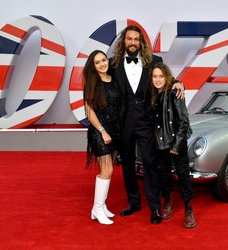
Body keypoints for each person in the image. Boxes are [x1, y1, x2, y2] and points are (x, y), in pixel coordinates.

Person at [109, 25, 184, 224]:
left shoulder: (155, 61)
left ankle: (154, 207)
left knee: (150, 164)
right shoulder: (112, 64)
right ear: (123, 42)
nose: (132, 42)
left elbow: (167, 78)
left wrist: (179, 83)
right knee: (127, 165)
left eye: (136, 39)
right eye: (129, 39)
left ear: (141, 42)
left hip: (147, 121)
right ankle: (133, 202)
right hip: (124, 122)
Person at [150, 62, 196, 228]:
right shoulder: (153, 95)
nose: (157, 79)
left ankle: (189, 209)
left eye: (161, 76)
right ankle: (168, 202)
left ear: (167, 77)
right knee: (164, 175)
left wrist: (176, 146)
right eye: (155, 76)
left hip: (176, 143)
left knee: (183, 175)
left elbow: (184, 122)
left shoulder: (175, 92)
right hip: (160, 144)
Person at [83, 50, 121, 225]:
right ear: (93, 66)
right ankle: (97, 209)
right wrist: (102, 131)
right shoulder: (93, 83)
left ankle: (101, 206)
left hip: (114, 131)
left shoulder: (113, 80)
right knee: (107, 170)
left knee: (109, 169)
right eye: (97, 62)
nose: (102, 64)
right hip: (99, 132)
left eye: (103, 60)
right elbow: (89, 111)